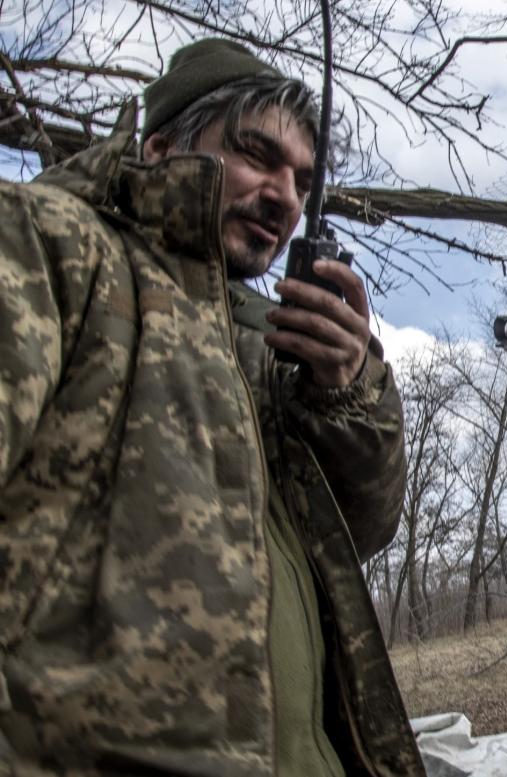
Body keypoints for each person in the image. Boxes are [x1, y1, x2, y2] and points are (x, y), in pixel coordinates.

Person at [0, 40, 423, 776]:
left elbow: (361, 530)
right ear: (162, 145)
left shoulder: (272, 344)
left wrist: (349, 388)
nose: (287, 196)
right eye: (258, 156)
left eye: (302, 179)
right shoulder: (58, 246)